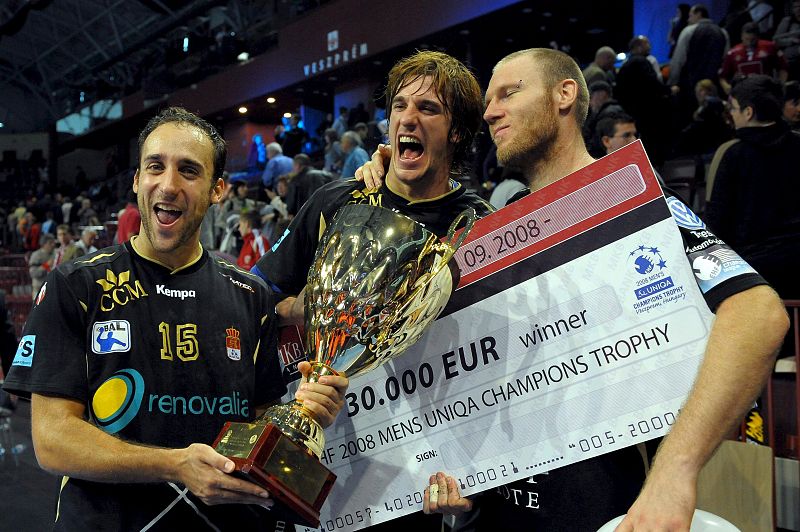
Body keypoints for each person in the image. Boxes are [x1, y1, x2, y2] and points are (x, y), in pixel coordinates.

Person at [359, 47, 788, 531]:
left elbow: (759, 314)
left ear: (564, 94)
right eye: (489, 101)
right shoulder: (493, 229)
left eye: (509, 93)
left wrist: (676, 473)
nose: (490, 111)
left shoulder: (629, 200)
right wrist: (466, 484)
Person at [2, 107, 348, 531]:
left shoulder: (251, 296)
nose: (168, 185)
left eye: (188, 170)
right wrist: (175, 465)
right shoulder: (76, 285)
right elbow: (52, 441)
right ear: (136, 180)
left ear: (217, 189)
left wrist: (304, 415)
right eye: (155, 166)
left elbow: (259, 430)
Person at [251, 50, 494, 530]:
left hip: (416, 470)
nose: (408, 118)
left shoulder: (475, 224)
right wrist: (306, 309)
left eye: (428, 109)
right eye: (400, 105)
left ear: (457, 132)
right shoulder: (337, 199)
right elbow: (254, 294)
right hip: (327, 443)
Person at [704, 75, 800, 299]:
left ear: (748, 112)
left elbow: (716, 223)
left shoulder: (731, 154)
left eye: (734, 108)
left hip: (754, 277)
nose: (731, 114)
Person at [28, 233, 56, 300]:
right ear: (43, 244)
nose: (53, 245)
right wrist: (46, 265)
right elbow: (33, 273)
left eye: (53, 242)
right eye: (50, 243)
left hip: (53, 289)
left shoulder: (56, 253)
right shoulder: (36, 255)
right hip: (39, 290)